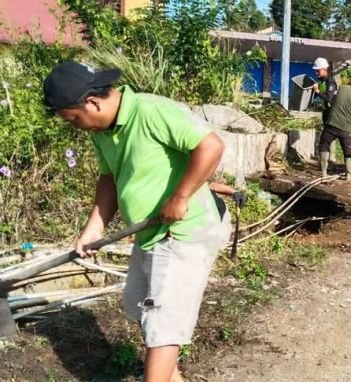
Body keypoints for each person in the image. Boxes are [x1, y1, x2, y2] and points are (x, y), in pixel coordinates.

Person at [43, 61, 231, 382]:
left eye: (74, 119)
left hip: (185, 233)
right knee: (147, 313)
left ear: (92, 102)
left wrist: (181, 197)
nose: (76, 126)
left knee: (162, 325)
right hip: (151, 235)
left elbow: (211, 146)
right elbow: (109, 178)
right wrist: (95, 227)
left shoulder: (150, 111)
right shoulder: (102, 130)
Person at [319, 73, 351, 180]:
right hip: (345, 127)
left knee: (324, 145)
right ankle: (349, 175)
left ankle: (324, 174)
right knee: (347, 150)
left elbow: (334, 102)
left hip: (331, 123)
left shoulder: (342, 88)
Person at [310, 57, 337, 126]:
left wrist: (317, 91)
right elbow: (316, 95)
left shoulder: (330, 82)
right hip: (325, 111)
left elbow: (328, 98)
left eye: (318, 71)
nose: (316, 73)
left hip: (332, 113)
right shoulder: (321, 81)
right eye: (315, 71)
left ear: (325, 69)